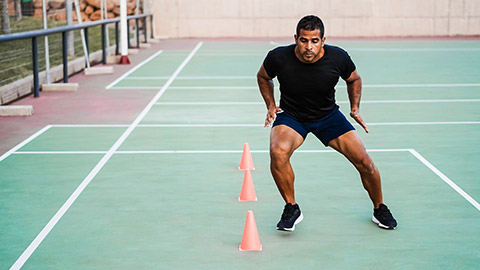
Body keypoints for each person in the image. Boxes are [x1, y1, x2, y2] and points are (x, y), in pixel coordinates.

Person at [257, 15, 397, 231]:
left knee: (364, 162)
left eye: (314, 41)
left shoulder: (338, 57)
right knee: (277, 151)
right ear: (296, 38)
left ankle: (380, 208)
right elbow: (263, 76)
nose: (308, 47)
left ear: (323, 40)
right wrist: (270, 104)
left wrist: (355, 108)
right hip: (292, 116)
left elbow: (354, 79)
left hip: (328, 116)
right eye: (304, 40)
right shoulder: (278, 57)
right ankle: (291, 207)